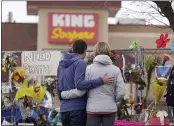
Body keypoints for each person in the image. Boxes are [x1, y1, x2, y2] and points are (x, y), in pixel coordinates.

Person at [61, 42, 125, 126]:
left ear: (95, 52)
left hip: (93, 109)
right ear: (109, 52)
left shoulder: (88, 69)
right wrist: (113, 100)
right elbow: (121, 92)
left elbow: (82, 89)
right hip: (110, 109)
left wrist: (63, 94)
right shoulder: (116, 70)